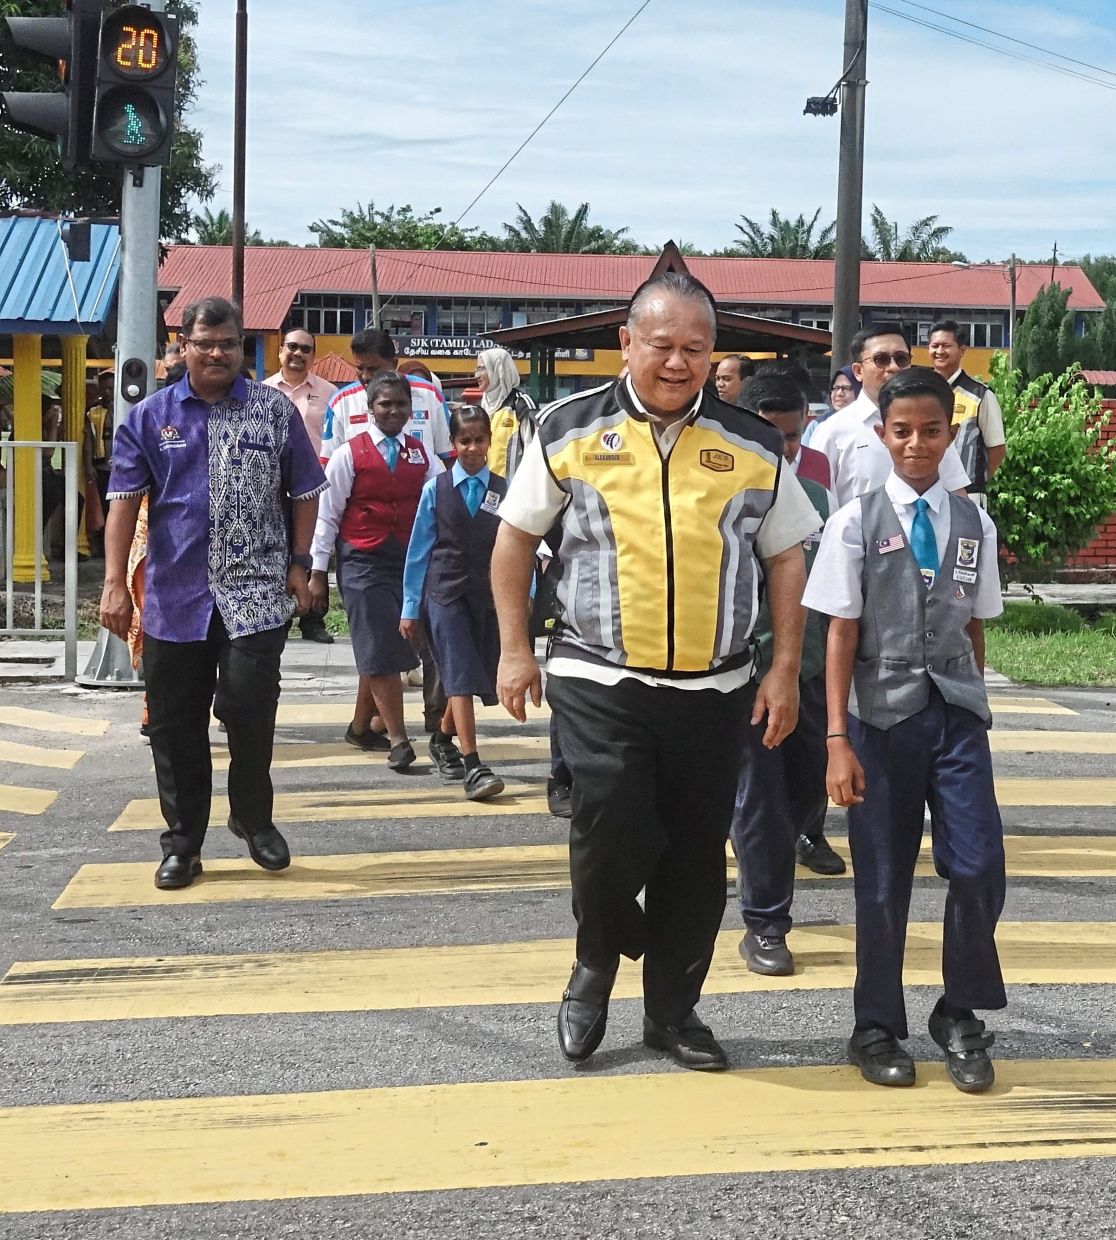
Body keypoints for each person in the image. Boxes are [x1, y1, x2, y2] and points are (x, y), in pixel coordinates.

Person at [492, 270, 820, 1072]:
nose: (678, 363)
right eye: (662, 345)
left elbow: (786, 556)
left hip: (715, 685)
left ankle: (673, 1013)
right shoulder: (569, 428)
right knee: (607, 825)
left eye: (696, 350)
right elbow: (514, 541)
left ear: (714, 354)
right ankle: (596, 960)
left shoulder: (751, 443)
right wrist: (513, 649)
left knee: (695, 855)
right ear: (626, 343)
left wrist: (782, 668)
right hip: (599, 673)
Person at [804, 366, 1006, 1093]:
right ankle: (876, 1026)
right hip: (880, 719)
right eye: (902, 431)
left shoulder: (974, 523)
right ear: (882, 435)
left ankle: (958, 1010)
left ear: (951, 434)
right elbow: (838, 633)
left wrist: (975, 700)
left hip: (955, 714)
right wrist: (836, 740)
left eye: (931, 430)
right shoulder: (853, 521)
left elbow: (975, 623)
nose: (917, 443)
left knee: (978, 865)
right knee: (883, 881)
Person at [100, 296, 327, 891]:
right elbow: (123, 502)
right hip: (174, 598)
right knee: (175, 726)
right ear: (184, 347)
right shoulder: (150, 417)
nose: (219, 353)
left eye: (229, 343)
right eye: (207, 344)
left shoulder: (272, 411)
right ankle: (183, 844)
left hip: (256, 593)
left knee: (250, 706)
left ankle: (252, 817)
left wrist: (302, 563)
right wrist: (115, 584)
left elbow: (306, 491)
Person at [730, 375, 843, 975]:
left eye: (794, 438)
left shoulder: (820, 501)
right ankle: (766, 924)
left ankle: (758, 844)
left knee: (806, 788)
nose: (784, 450)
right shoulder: (726, 496)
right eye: (772, 438)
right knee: (762, 801)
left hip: (811, 671)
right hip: (747, 675)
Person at [320, 328, 453, 740]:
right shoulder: (342, 406)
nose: (364, 377)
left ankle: (388, 724)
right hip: (363, 548)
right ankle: (392, 734)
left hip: (415, 548)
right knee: (379, 639)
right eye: (359, 370)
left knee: (410, 637)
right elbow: (330, 496)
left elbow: (444, 469)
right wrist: (317, 566)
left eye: (373, 369)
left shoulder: (429, 402)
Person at [400, 406, 506, 800]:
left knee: (472, 672)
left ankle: (443, 738)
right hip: (443, 594)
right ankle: (473, 763)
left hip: (485, 596)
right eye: (464, 441)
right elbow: (418, 552)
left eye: (479, 440)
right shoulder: (436, 489)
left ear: (489, 441)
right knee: (459, 671)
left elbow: (516, 547)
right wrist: (410, 607)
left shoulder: (504, 490)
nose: (472, 448)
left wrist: (525, 593)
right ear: (452, 444)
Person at [810, 326, 970, 506]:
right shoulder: (831, 432)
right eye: (881, 359)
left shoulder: (930, 428)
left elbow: (956, 492)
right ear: (858, 371)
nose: (893, 367)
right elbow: (817, 504)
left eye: (901, 359)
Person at [264, 328, 338, 644]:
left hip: (315, 485)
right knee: (280, 546)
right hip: (274, 485)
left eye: (305, 349)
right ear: (280, 351)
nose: (297, 354)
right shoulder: (263, 391)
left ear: (313, 356)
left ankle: (313, 620)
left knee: (314, 547)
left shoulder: (330, 393)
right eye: (292, 347)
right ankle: (280, 618)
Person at [927, 319, 1006, 507]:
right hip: (927, 493)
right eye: (934, 346)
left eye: (946, 346)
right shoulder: (921, 391)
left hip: (968, 496)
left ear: (962, 350)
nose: (939, 351)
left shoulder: (981, 395)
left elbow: (997, 449)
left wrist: (975, 482)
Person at [475, 347, 539, 482]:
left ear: (498, 369)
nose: (477, 375)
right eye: (477, 369)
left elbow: (534, 451)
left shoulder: (521, 404)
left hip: (515, 490)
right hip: (484, 488)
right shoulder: (479, 408)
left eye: (482, 368)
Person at [802, 365, 859, 447]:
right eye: (835, 388)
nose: (839, 393)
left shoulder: (869, 425)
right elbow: (803, 452)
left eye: (846, 388)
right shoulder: (817, 425)